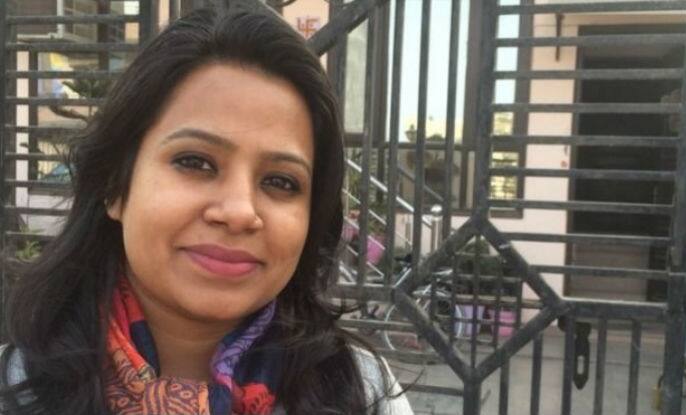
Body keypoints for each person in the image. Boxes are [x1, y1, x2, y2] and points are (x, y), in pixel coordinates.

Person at [0, 5, 413, 415]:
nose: (239, 212)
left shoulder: (361, 393)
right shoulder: (14, 389)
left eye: (281, 181)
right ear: (114, 185)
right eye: (195, 162)